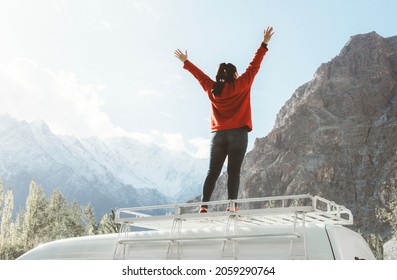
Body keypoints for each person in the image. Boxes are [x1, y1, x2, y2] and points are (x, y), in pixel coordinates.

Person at [174, 26, 274, 213]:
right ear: (235, 75)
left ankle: (204, 207)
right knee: (233, 172)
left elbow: (200, 76)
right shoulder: (242, 84)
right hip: (238, 135)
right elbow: (255, 64)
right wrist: (264, 43)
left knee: (212, 172)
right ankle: (232, 207)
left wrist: (186, 62)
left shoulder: (212, 89)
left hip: (218, 136)